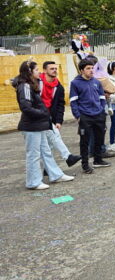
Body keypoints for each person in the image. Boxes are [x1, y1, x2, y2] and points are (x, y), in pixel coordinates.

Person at [15, 61, 74, 189]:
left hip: (39, 125)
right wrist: (43, 113)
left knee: (46, 151)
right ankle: (33, 182)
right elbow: (26, 107)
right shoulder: (25, 86)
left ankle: (56, 175)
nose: (39, 72)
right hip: (32, 126)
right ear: (30, 72)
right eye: (36, 70)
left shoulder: (31, 85)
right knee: (33, 155)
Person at [70, 59, 111, 174]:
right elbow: (73, 101)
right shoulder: (75, 83)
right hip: (85, 116)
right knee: (85, 142)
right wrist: (78, 116)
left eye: (92, 68)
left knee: (99, 138)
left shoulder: (96, 82)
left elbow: (102, 98)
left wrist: (102, 110)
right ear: (82, 70)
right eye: (88, 68)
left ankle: (98, 160)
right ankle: (85, 164)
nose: (91, 70)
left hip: (98, 115)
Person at [40, 61, 82, 168]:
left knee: (49, 144)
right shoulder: (37, 82)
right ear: (45, 70)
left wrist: (59, 121)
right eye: (51, 68)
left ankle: (47, 168)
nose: (54, 70)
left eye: (55, 68)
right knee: (54, 136)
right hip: (39, 116)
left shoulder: (58, 87)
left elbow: (60, 105)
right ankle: (68, 157)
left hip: (51, 117)